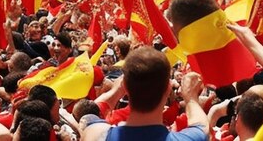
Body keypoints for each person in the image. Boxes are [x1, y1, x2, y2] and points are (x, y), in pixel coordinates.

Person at [81, 46, 209, 141]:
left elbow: (89, 112)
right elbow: (202, 126)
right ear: (168, 89)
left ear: (125, 86)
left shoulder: (95, 135)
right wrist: (190, 97)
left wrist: (116, 91)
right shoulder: (189, 139)